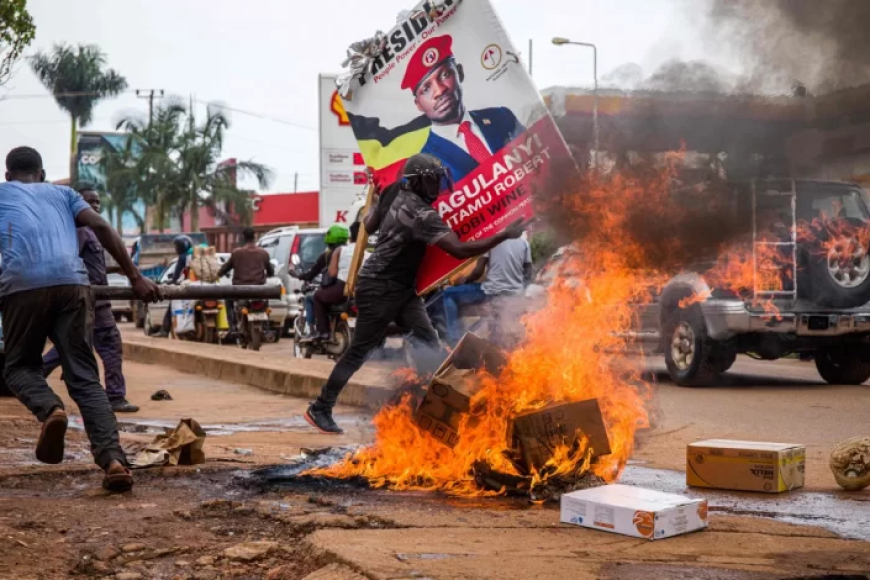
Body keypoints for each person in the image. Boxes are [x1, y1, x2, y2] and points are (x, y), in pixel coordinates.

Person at [304, 153, 527, 434]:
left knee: (430, 344)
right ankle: (320, 407)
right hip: (379, 287)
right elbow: (459, 250)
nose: (437, 187)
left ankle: (429, 409)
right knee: (359, 351)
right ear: (419, 181)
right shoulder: (422, 215)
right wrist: (503, 235)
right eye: (433, 181)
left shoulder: (395, 189)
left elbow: (369, 225)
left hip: (403, 289)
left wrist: (377, 201)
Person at [0, 146, 161, 492]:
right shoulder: (64, 194)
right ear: (41, 174)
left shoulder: (2, 194)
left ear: (7, 175)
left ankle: (51, 410)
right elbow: (101, 225)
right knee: (86, 378)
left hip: (21, 287)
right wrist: (134, 277)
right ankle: (114, 461)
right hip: (74, 285)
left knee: (17, 367)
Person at [42, 185, 140, 413]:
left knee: (69, 346)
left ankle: (28, 378)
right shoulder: (78, 232)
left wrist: (116, 269)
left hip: (92, 299)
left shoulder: (88, 233)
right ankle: (115, 396)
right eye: (90, 202)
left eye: (97, 202)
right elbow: (70, 261)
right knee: (110, 344)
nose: (95, 206)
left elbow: (91, 264)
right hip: (92, 300)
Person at [402, 34, 525, 182]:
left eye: (445, 74)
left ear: (460, 72)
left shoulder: (502, 117)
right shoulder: (422, 169)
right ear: (418, 104)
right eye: (426, 89)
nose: (440, 90)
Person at [441, 235, 534, 344]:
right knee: (495, 332)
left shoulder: (490, 241)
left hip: (491, 291)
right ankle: (497, 345)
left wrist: (465, 281)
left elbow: (477, 272)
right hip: (512, 292)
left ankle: (456, 339)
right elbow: (529, 271)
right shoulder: (523, 242)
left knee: (448, 293)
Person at [290, 225, 350, 340]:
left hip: (337, 290)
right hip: (353, 292)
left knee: (313, 297)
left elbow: (312, 273)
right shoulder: (351, 252)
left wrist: (298, 275)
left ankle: (320, 331)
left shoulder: (328, 255)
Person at [217, 227, 274, 331]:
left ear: (243, 237)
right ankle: (266, 327)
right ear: (255, 237)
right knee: (265, 303)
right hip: (259, 290)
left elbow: (226, 268)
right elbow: (271, 271)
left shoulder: (237, 253)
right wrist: (269, 274)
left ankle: (233, 327)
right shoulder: (263, 253)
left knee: (228, 300)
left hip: (240, 290)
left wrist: (219, 274)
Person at [155, 234, 193, 337]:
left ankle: (164, 330)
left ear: (181, 247)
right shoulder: (194, 254)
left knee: (171, 306)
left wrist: (169, 282)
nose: (176, 249)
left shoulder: (182, 257)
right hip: (202, 287)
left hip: (187, 288)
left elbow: (175, 277)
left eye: (176, 246)